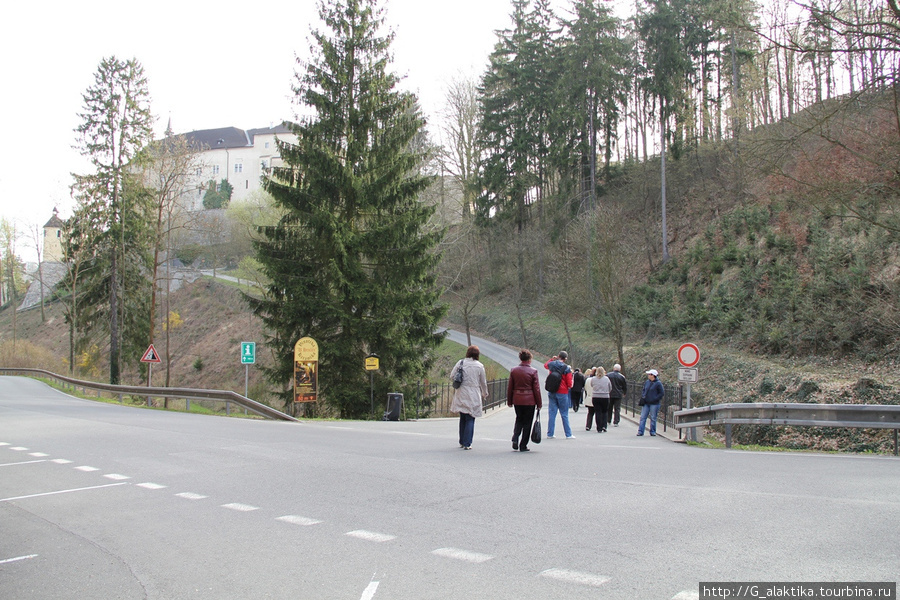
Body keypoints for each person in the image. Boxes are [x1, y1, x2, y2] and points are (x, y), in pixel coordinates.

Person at [450, 345, 489, 449]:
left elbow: (452, 376)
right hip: (473, 392)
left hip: (461, 391)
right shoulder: (479, 366)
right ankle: (467, 443)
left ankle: (462, 441)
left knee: (463, 416)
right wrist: (485, 393)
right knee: (470, 418)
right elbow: (483, 382)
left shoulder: (460, 363)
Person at [506, 349, 542, 452]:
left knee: (519, 419)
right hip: (529, 400)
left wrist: (509, 400)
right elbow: (536, 389)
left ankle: (515, 437)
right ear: (530, 359)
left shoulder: (514, 370)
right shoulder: (533, 371)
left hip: (517, 399)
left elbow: (510, 387)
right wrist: (539, 403)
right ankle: (523, 444)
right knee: (528, 422)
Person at [544, 351, 575, 439]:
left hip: (552, 390)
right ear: (565, 359)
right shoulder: (566, 368)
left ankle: (550, 433)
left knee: (552, 413)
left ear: (558, 356)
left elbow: (545, 365)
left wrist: (551, 359)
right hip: (562, 392)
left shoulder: (552, 364)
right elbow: (569, 383)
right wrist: (570, 385)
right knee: (564, 413)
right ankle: (568, 434)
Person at [637, 369, 665, 437]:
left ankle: (652, 431)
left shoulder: (658, 383)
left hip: (654, 404)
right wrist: (643, 396)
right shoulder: (647, 382)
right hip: (646, 403)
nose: (648, 376)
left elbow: (661, 393)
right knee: (643, 417)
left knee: (653, 418)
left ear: (653, 375)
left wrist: (655, 399)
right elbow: (644, 390)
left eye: (649, 374)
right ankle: (640, 431)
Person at [585, 366, 611, 432]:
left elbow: (591, 385)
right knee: (604, 412)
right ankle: (604, 426)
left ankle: (599, 427)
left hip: (596, 397)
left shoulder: (593, 379)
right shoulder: (607, 379)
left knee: (598, 412)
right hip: (605, 396)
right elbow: (610, 387)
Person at [606, 363, 627, 428]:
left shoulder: (608, 375)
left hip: (610, 393)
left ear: (613, 368)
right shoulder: (622, 377)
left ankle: (608, 420)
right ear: (619, 369)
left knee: (609, 407)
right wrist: (624, 393)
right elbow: (624, 386)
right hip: (618, 394)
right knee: (617, 408)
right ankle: (616, 421)